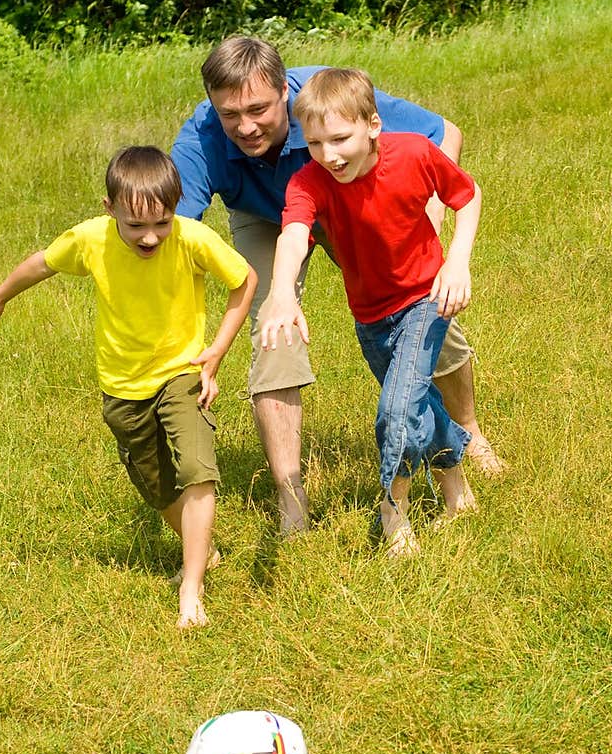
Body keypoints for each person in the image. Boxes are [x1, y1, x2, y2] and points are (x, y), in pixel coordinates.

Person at [171, 35, 505, 539]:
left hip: (356, 197)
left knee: (428, 320)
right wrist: (273, 296)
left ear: (285, 91)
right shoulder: (202, 136)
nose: (245, 126)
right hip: (272, 217)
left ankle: (470, 435)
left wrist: (429, 222)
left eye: (259, 109)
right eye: (229, 115)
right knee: (273, 328)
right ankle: (292, 497)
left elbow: (444, 134)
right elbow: (177, 232)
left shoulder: (327, 103)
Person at [0, 146, 258, 630]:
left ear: (175, 206)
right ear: (110, 210)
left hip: (181, 370)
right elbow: (41, 263)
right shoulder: (91, 238)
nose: (150, 237)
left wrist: (215, 353)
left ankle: (191, 588)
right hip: (122, 387)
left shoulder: (192, 238)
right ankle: (203, 552)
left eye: (161, 223)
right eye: (135, 226)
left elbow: (244, 279)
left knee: (195, 467)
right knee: (158, 485)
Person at [260, 67, 481, 558]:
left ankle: (392, 507)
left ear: (373, 125)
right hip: (370, 318)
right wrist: (281, 293)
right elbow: (294, 234)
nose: (329, 155)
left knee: (396, 411)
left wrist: (458, 261)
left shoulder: (415, 154)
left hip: (426, 300)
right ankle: (456, 490)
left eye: (340, 139)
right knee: (416, 403)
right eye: (316, 143)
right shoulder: (308, 182)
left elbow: (466, 197)